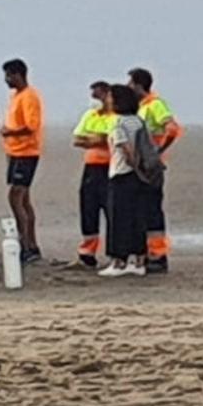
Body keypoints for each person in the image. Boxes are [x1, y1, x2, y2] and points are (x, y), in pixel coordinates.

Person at [128, 68, 185, 274]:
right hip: (140, 164)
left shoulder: (155, 105)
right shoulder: (140, 107)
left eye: (131, 83)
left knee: (152, 210)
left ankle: (158, 254)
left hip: (151, 166)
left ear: (139, 85)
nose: (128, 87)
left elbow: (172, 128)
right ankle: (145, 252)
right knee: (141, 210)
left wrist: (159, 150)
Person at [100, 85, 148, 277]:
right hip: (139, 177)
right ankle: (138, 261)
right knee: (137, 218)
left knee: (118, 219)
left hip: (122, 173)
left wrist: (133, 165)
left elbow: (126, 149)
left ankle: (118, 261)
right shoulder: (138, 121)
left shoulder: (118, 122)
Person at [0, 58, 45, 263]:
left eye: (9, 75)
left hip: (26, 152)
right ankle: (32, 244)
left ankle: (25, 243)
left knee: (15, 196)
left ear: (19, 74)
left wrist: (10, 132)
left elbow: (31, 125)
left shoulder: (29, 97)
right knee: (24, 198)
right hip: (15, 152)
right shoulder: (16, 96)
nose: (7, 79)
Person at [68, 81, 114, 268]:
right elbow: (78, 139)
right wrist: (96, 140)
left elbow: (111, 139)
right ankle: (87, 253)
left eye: (98, 95)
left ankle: (116, 253)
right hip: (91, 167)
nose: (95, 100)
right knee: (88, 209)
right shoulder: (90, 115)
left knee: (112, 210)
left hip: (111, 167)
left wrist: (96, 139)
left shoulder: (117, 117)